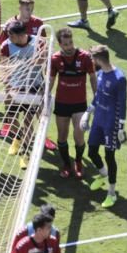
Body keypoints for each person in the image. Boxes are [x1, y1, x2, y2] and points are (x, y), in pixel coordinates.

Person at [80, 44, 127, 208]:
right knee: (92, 151)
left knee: (109, 156)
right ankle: (102, 174)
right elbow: (97, 97)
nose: (92, 62)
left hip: (111, 123)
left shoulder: (119, 78)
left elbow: (123, 103)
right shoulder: (100, 74)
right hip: (99, 119)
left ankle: (112, 193)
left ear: (99, 59)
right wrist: (87, 114)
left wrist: (121, 127)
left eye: (93, 59)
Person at [49, 27, 97, 178]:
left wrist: (97, 96)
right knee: (62, 136)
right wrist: (45, 96)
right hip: (62, 104)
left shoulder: (85, 57)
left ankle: (78, 161)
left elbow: (93, 77)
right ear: (59, 44)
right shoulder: (55, 59)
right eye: (65, 44)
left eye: (70, 43)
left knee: (79, 135)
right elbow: (51, 79)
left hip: (79, 104)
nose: (69, 47)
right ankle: (66, 164)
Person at [0, 21, 45, 169]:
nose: (7, 37)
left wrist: (30, 62)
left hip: (33, 87)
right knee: (11, 120)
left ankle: (25, 153)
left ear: (19, 35)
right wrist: (7, 87)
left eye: (10, 35)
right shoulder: (6, 46)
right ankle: (18, 137)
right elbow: (3, 67)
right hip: (15, 88)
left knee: (28, 122)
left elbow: (43, 60)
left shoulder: (38, 42)